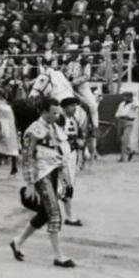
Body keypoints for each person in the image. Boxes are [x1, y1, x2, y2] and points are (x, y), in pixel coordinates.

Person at [10, 98, 76, 268]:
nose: (57, 115)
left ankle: (17, 242)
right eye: (53, 112)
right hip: (41, 175)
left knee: (46, 214)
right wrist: (30, 184)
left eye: (57, 112)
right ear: (43, 112)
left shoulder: (53, 126)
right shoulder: (34, 130)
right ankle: (58, 256)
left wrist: (64, 178)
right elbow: (27, 158)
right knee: (54, 213)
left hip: (53, 172)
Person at [59, 97, 85, 226]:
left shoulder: (74, 119)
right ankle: (69, 217)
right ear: (65, 107)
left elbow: (80, 137)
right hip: (63, 155)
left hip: (72, 155)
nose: (75, 108)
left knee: (68, 186)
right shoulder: (60, 119)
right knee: (66, 186)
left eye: (75, 105)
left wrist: (80, 145)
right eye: (72, 106)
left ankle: (68, 215)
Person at [115, 91, 139, 162]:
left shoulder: (133, 104)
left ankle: (123, 157)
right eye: (124, 96)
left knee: (124, 139)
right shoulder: (122, 104)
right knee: (121, 140)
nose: (125, 98)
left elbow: (138, 105)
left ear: (130, 97)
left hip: (129, 121)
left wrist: (134, 98)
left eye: (126, 96)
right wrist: (117, 117)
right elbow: (117, 112)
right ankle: (130, 151)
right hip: (120, 121)